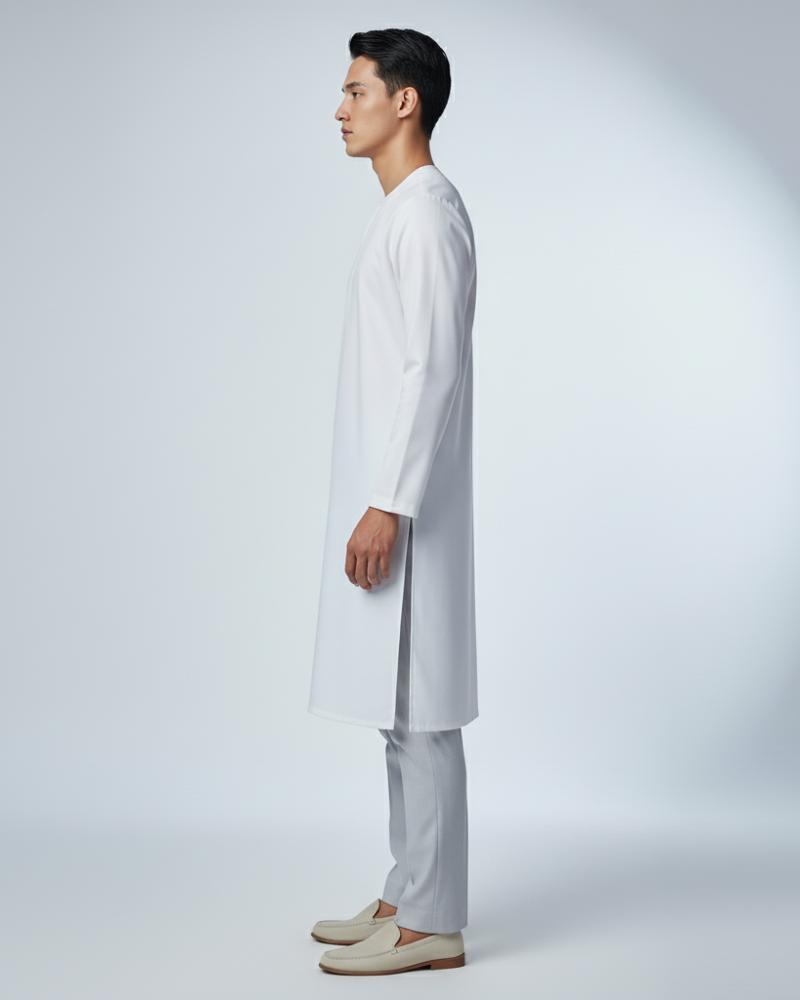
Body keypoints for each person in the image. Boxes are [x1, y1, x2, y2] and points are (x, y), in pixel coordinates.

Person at [308, 27, 477, 976]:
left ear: (403, 101)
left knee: (423, 711)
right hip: (394, 498)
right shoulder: (401, 213)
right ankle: (409, 891)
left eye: (355, 90)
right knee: (397, 709)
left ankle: (433, 922)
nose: (339, 109)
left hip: (408, 507)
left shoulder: (428, 213)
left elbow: (434, 367)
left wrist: (389, 503)